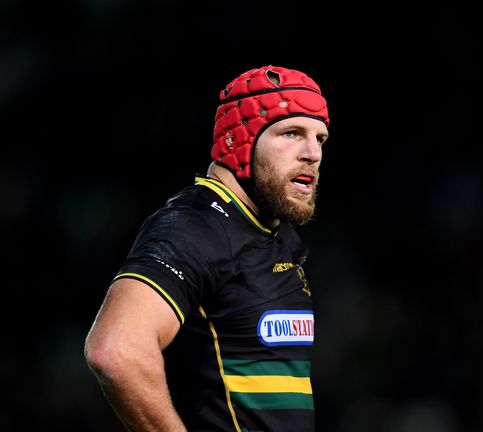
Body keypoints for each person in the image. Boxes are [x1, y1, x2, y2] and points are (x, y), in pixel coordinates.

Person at [84, 65, 330, 432]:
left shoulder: (272, 231)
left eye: (320, 138)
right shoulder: (198, 225)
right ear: (239, 140)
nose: (312, 153)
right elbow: (116, 350)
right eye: (292, 133)